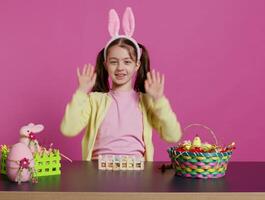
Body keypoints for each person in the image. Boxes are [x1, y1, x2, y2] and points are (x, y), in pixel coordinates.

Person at [60, 7, 181, 161]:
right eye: (113, 62)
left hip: (137, 175)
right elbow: (68, 129)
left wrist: (159, 100)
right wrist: (81, 92)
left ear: (137, 65)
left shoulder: (146, 102)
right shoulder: (94, 100)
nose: (120, 68)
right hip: (98, 174)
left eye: (127, 62)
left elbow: (173, 135)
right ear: (105, 65)